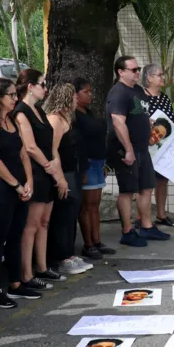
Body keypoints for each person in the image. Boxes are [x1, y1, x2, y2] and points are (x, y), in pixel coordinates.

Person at [0, 78, 38, 308]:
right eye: (10, 95)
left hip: (20, 187)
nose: (15, 99)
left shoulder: (12, 121)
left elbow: (23, 154)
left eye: (15, 95)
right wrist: (16, 185)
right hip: (0, 189)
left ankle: (15, 282)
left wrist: (29, 181)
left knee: (16, 236)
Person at [107, 56, 169, 247]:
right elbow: (117, 121)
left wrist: (146, 122)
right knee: (127, 191)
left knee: (146, 188)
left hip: (142, 148)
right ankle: (127, 231)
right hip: (127, 150)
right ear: (121, 72)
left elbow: (139, 113)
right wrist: (128, 150)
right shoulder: (118, 92)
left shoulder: (138, 91)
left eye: (138, 69)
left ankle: (147, 226)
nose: (137, 72)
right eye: (133, 69)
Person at [14, 70, 61, 288]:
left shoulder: (39, 110)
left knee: (44, 222)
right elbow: (30, 146)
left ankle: (42, 267)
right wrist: (48, 167)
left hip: (47, 169)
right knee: (31, 225)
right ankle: (27, 273)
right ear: (30, 86)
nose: (45, 88)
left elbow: (49, 142)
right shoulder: (21, 112)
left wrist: (55, 166)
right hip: (35, 171)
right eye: (42, 84)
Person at [46, 82, 92, 276]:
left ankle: (69, 253)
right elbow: (52, 149)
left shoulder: (68, 119)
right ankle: (61, 256)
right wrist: (59, 177)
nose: (76, 100)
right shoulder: (56, 119)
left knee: (72, 213)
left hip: (74, 171)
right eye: (73, 97)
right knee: (63, 216)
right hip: (63, 172)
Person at [73, 78, 115, 259]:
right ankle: (88, 244)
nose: (90, 95)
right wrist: (82, 168)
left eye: (91, 91)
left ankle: (97, 241)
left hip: (98, 163)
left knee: (95, 205)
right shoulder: (74, 116)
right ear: (75, 94)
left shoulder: (88, 112)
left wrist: (104, 162)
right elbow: (78, 144)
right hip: (87, 164)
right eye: (86, 92)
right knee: (87, 206)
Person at [142, 63, 174, 226]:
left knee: (162, 181)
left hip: (164, 146)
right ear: (150, 77)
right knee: (147, 184)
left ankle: (161, 214)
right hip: (147, 147)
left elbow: (171, 117)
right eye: (160, 75)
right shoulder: (141, 97)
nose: (163, 78)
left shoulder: (165, 97)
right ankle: (143, 218)